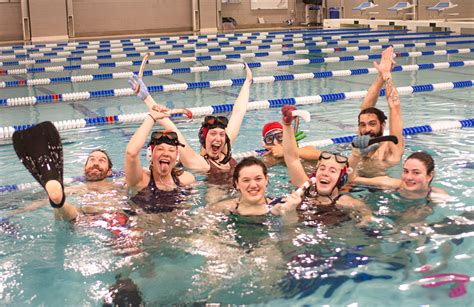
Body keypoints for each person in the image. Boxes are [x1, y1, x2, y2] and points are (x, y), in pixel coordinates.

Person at [128, 64, 253, 185]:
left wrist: (247, 82)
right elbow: (171, 127)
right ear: (204, 139)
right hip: (218, 202)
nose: (218, 138)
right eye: (213, 133)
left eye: (222, 134)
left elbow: (238, 113)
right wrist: (146, 97)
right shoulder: (199, 163)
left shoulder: (225, 152)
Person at [281, 105, 372, 227]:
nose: (325, 173)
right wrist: (286, 126)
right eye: (322, 168)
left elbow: (366, 213)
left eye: (332, 171)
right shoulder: (305, 189)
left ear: (341, 179)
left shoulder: (346, 202)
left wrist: (364, 221)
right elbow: (292, 159)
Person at [124, 106, 195, 213]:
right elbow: (131, 153)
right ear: (150, 155)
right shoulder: (141, 181)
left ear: (176, 157)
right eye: (160, 149)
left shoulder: (186, 180)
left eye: (171, 150)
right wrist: (151, 118)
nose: (166, 154)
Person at [351, 46, 404, 177]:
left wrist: (386, 74)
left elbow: (394, 107)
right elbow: (365, 108)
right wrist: (380, 76)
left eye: (372, 124)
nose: (367, 129)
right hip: (354, 183)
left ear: (383, 125)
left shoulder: (392, 147)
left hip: (380, 191)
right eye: (362, 125)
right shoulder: (362, 143)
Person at [353, 151, 448, 225]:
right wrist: (355, 155)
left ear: (430, 175)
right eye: (406, 171)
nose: (408, 177)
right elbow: (352, 179)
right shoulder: (390, 184)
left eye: (416, 173)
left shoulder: (438, 196)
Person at [208, 156, 301, 217]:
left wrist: (290, 213)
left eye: (258, 179)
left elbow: (290, 234)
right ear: (237, 184)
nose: (253, 185)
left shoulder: (281, 206)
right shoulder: (223, 207)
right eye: (246, 180)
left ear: (266, 180)